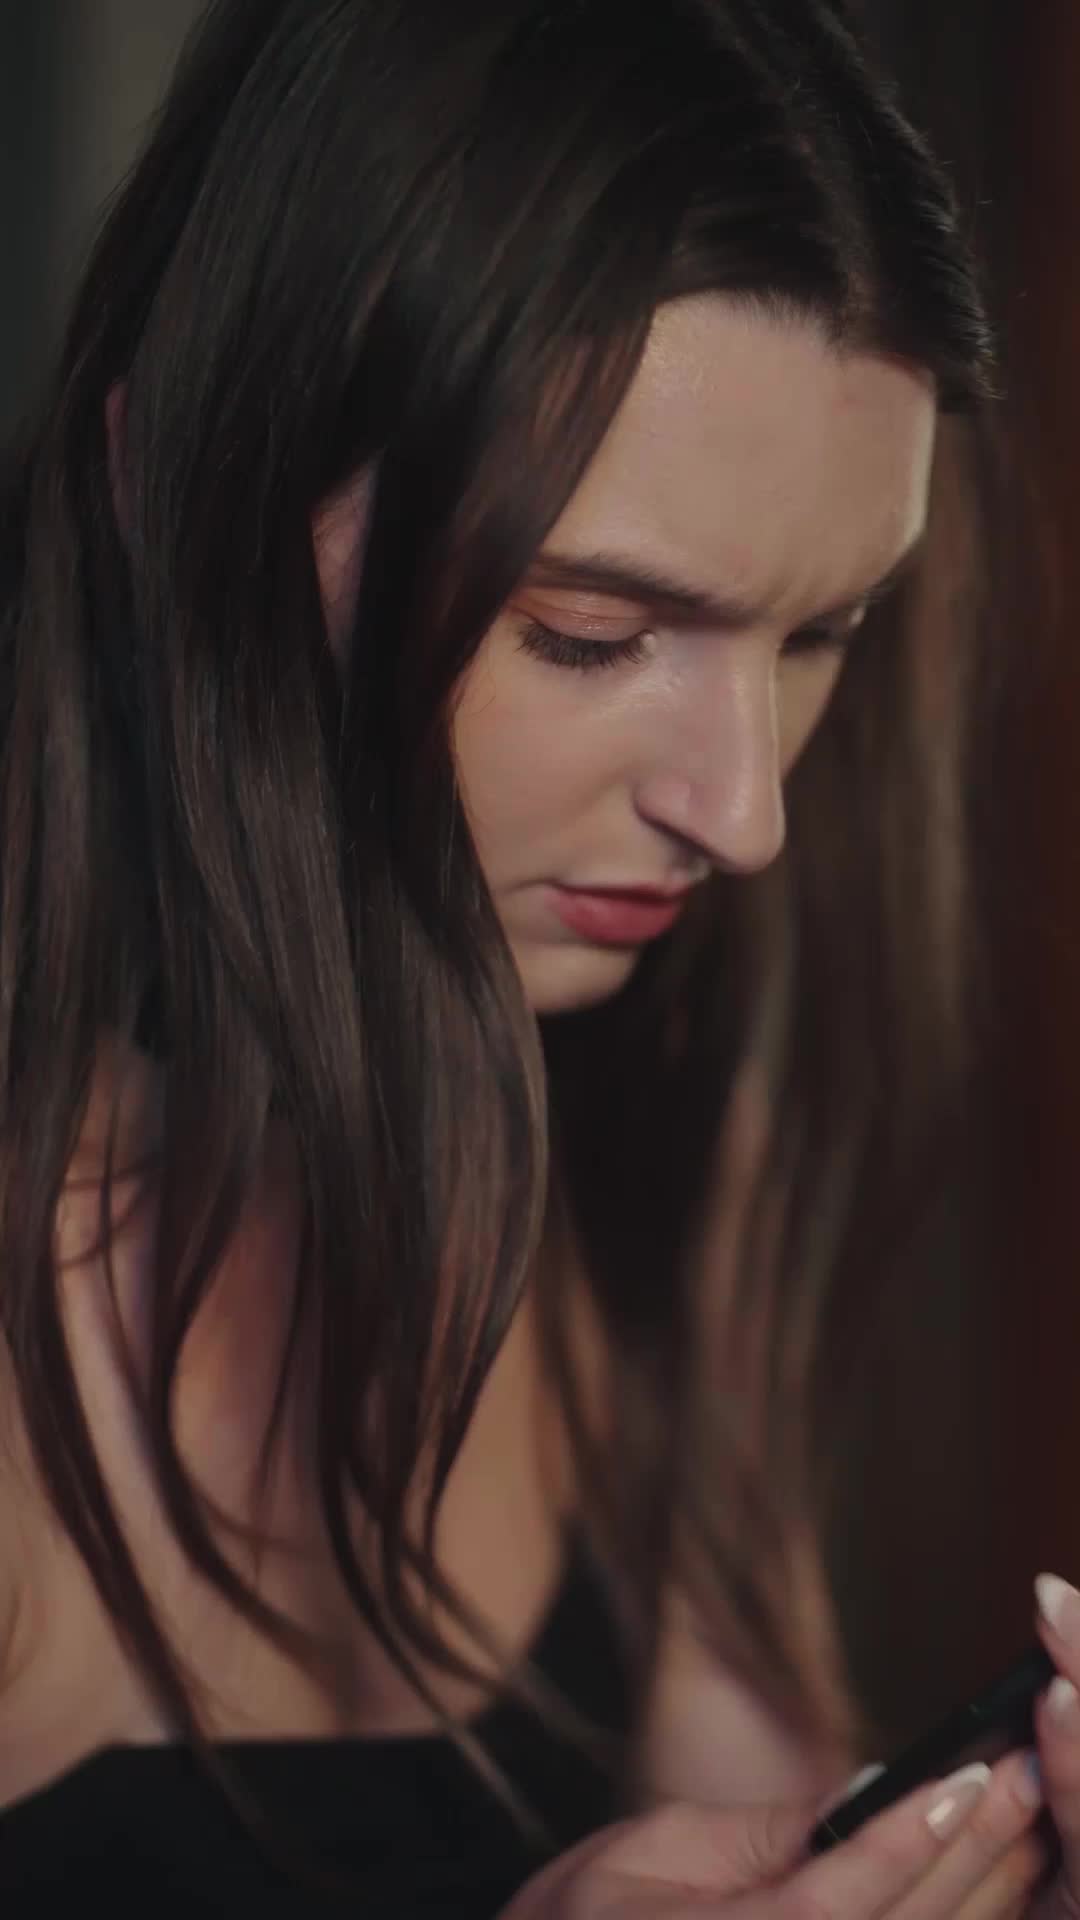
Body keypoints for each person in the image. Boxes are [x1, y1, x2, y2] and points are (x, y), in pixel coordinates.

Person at [0, 0, 1076, 1911]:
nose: (744, 813)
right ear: (180, 490)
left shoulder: (665, 1108)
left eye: (823, 634)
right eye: (591, 635)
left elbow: (755, 1785)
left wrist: (949, 1866)